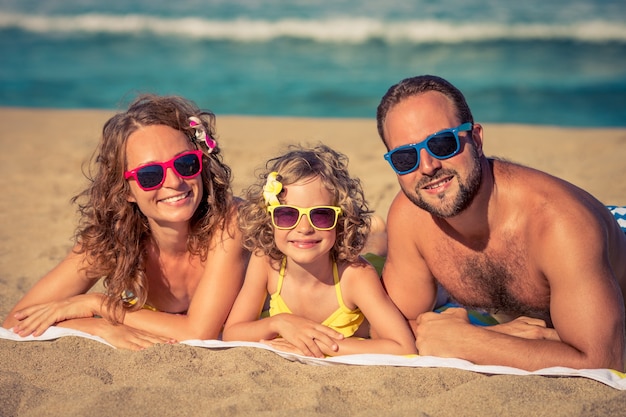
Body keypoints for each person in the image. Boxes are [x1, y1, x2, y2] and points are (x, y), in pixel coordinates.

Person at [376, 74, 626, 371]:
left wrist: (468, 341)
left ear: (477, 139)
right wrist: (493, 335)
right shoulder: (410, 216)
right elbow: (389, 329)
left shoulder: (560, 224)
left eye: (443, 143)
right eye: (405, 158)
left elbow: (605, 360)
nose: (428, 167)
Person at [2, 94, 248, 350]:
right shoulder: (113, 239)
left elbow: (198, 331)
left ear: (202, 163)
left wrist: (99, 305)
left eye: (185, 163)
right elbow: (17, 321)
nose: (174, 182)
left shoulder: (229, 220)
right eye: (149, 174)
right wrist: (98, 326)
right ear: (126, 191)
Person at [222, 144, 416, 357]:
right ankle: (376, 231)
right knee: (375, 243)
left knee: (380, 247)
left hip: (371, 265)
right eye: (287, 215)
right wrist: (280, 323)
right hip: (335, 252)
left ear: (341, 221)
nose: (304, 228)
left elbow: (402, 346)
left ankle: (379, 232)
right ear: (269, 220)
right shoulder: (266, 263)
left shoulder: (356, 277)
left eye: (321, 215)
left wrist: (313, 344)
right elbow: (232, 333)